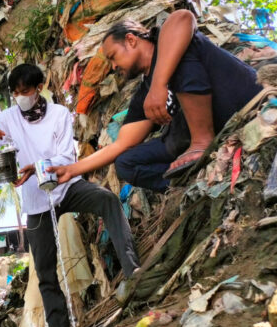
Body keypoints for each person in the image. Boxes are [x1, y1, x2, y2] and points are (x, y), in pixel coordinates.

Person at [0, 64, 139, 327]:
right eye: (15, 93)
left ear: (39, 88)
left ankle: (133, 273)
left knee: (107, 200)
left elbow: (65, 156)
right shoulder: (10, 118)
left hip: (65, 188)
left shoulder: (60, 114)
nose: (20, 97)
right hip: (36, 203)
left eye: (25, 91)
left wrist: (36, 169)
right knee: (46, 272)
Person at [49, 10, 263, 191]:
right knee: (126, 163)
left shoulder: (169, 41)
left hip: (241, 102)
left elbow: (182, 17)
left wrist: (159, 84)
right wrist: (71, 169)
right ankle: (188, 182)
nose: (113, 67)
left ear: (131, 40)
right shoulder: (144, 94)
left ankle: (201, 142)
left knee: (179, 58)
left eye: (113, 56)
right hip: (208, 136)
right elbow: (122, 144)